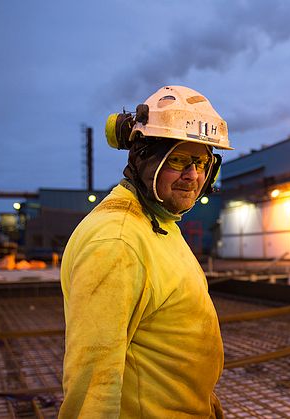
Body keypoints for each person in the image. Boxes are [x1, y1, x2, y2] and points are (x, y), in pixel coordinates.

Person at [59, 85, 231, 418]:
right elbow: (93, 385)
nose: (193, 176)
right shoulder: (117, 242)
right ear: (145, 160)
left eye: (201, 162)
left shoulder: (159, 221)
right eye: (178, 160)